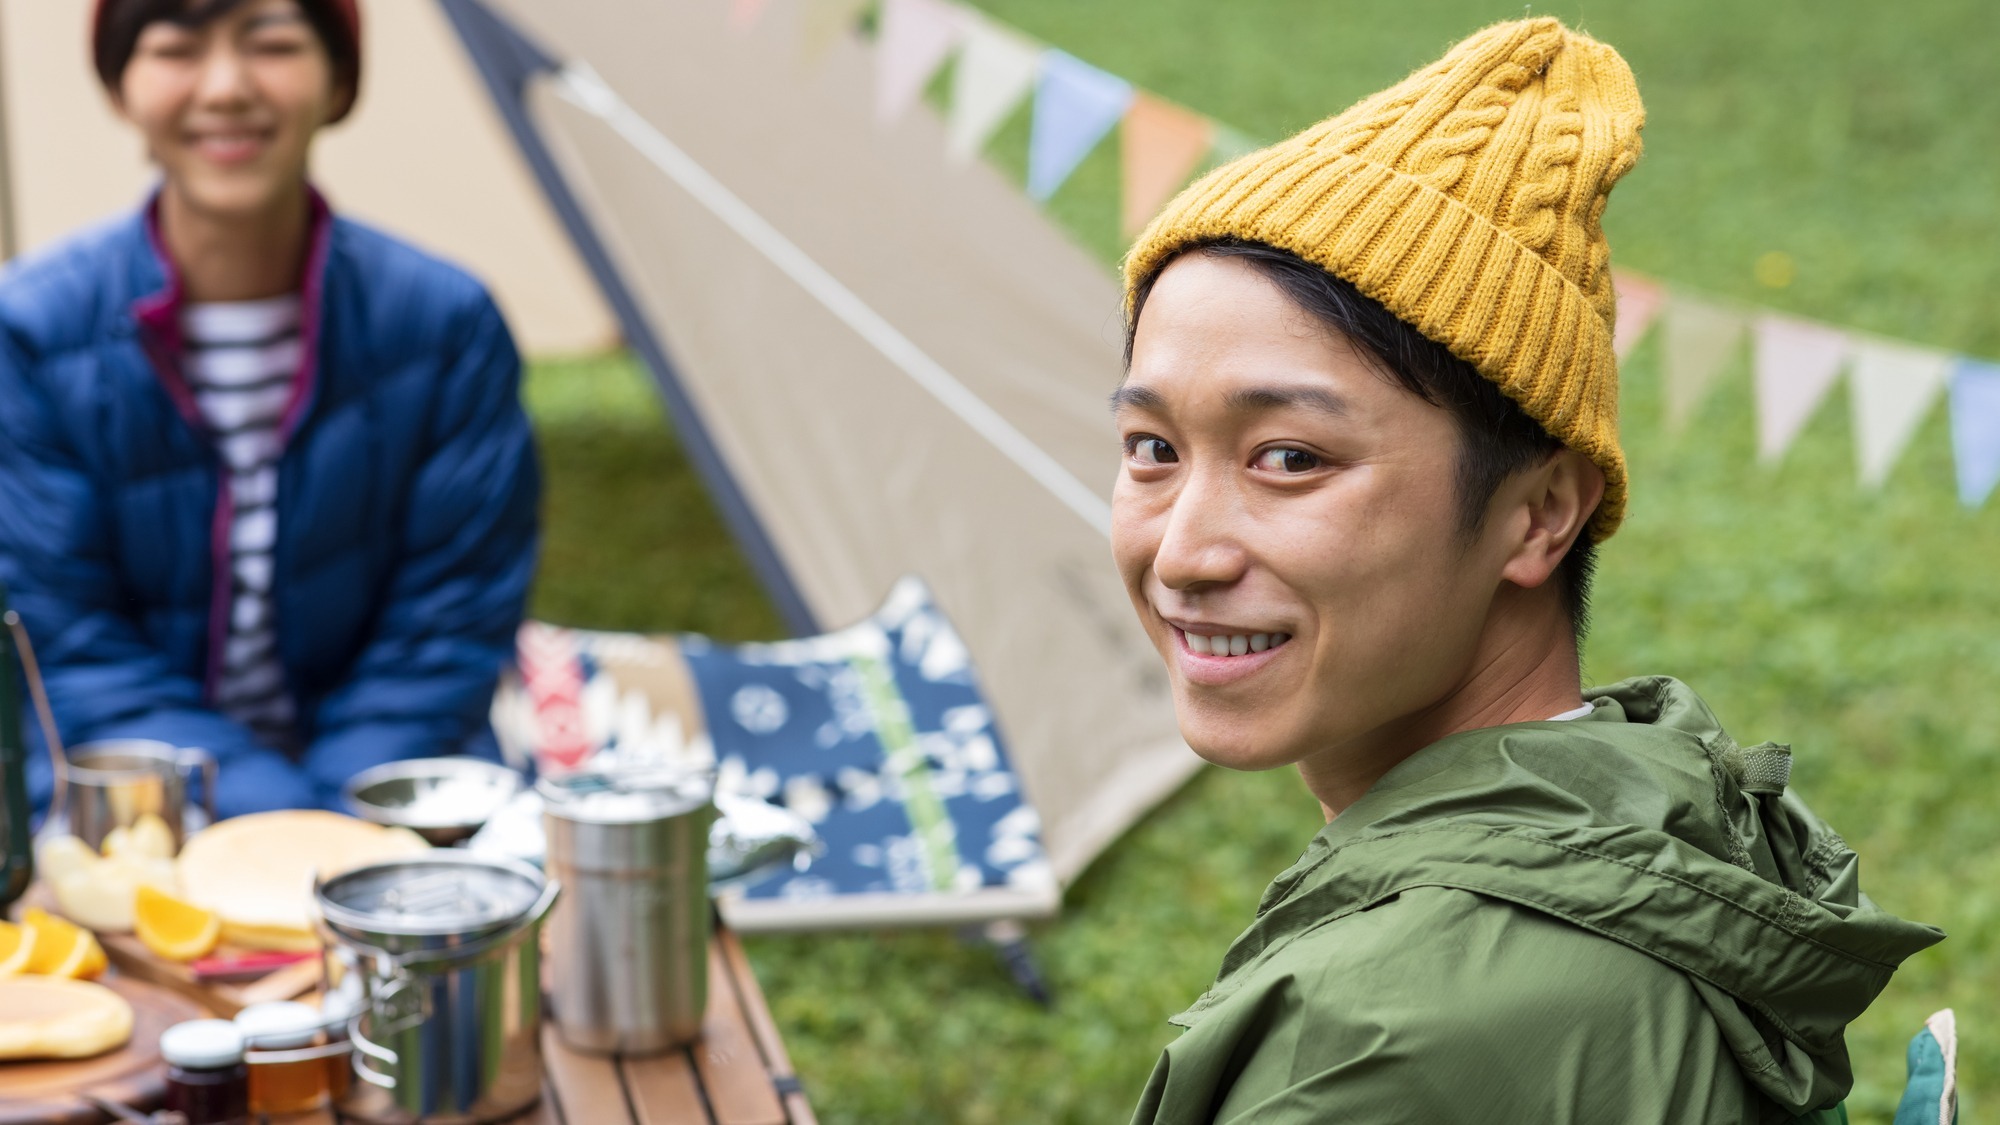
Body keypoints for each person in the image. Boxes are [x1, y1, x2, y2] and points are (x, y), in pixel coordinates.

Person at [1113, 18, 1940, 1124]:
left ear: (1539, 512)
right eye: (1152, 450)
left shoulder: (1377, 1039)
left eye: (1289, 460)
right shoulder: (1657, 805)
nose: (1181, 551)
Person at [0, 0, 538, 819]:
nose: (225, 88)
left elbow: (446, 629)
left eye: (274, 44)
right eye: (176, 49)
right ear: (120, 88)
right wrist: (266, 823)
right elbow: (63, 642)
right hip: (128, 797)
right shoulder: (29, 334)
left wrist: (329, 832)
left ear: (339, 81)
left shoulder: (444, 325)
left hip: (394, 793)